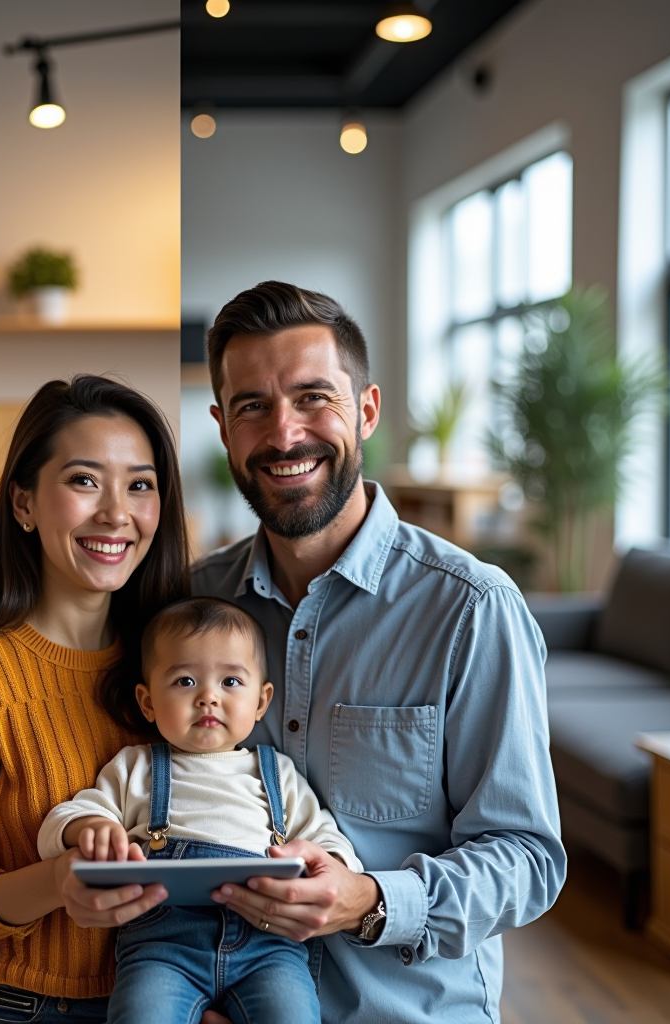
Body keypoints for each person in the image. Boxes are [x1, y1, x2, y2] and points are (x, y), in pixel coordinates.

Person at [191, 281, 566, 1024]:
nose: (285, 434)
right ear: (223, 429)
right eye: (252, 407)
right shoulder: (193, 608)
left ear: (366, 410)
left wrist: (370, 901)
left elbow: (525, 856)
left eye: (312, 398)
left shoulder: (470, 608)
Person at [0, 375, 189, 1024]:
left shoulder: (178, 666)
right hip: (33, 1010)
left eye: (140, 485)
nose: (116, 513)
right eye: (84, 481)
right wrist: (55, 885)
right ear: (23, 504)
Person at [38, 597, 363, 1024]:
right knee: (140, 1015)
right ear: (148, 701)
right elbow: (59, 824)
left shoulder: (276, 773)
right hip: (162, 949)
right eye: (185, 682)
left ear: (261, 701)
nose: (208, 697)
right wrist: (88, 827)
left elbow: (327, 837)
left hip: (269, 949)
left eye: (230, 682)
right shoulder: (136, 767)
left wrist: (332, 862)